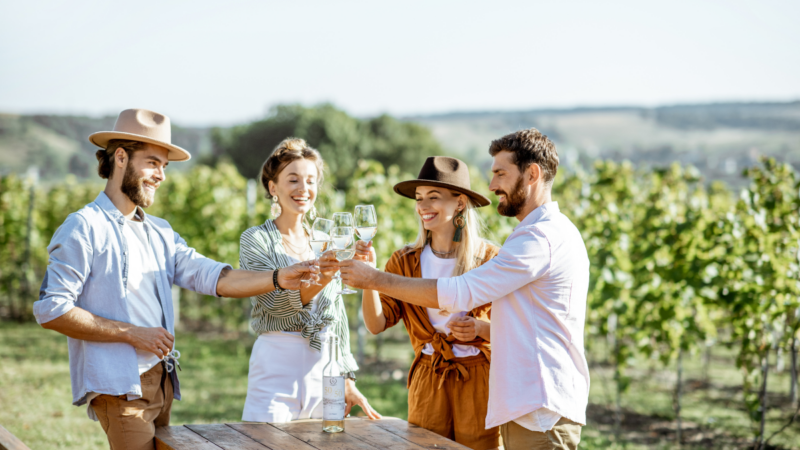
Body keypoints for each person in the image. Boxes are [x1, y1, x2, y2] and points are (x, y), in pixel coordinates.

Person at [33, 109, 318, 450]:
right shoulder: (84, 226)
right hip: (120, 385)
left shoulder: (160, 232)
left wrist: (278, 277)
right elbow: (51, 309)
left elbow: (215, 277)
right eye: (153, 163)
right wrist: (133, 334)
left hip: (162, 380)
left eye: (164, 166)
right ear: (121, 157)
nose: (161, 176)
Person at [338, 129, 590, 450]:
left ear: (532, 174)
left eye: (500, 173)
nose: (492, 184)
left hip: (533, 401)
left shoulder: (532, 241)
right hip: (517, 400)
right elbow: (522, 323)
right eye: (419, 199)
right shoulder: (534, 235)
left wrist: (372, 279)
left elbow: (460, 292)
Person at [347, 156, 501, 449]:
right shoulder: (404, 261)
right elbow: (376, 325)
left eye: (434, 197)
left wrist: (480, 328)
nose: (423, 206)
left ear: (459, 203)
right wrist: (370, 278)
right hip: (430, 378)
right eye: (419, 199)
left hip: (480, 378)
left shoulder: (491, 259)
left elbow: (514, 328)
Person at [239, 137, 380, 422]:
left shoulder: (328, 243)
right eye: (293, 180)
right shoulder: (255, 240)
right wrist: (325, 277)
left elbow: (336, 316)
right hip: (276, 367)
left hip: (325, 370)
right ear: (272, 187)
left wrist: (346, 377)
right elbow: (274, 304)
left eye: (311, 181)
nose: (304, 189)